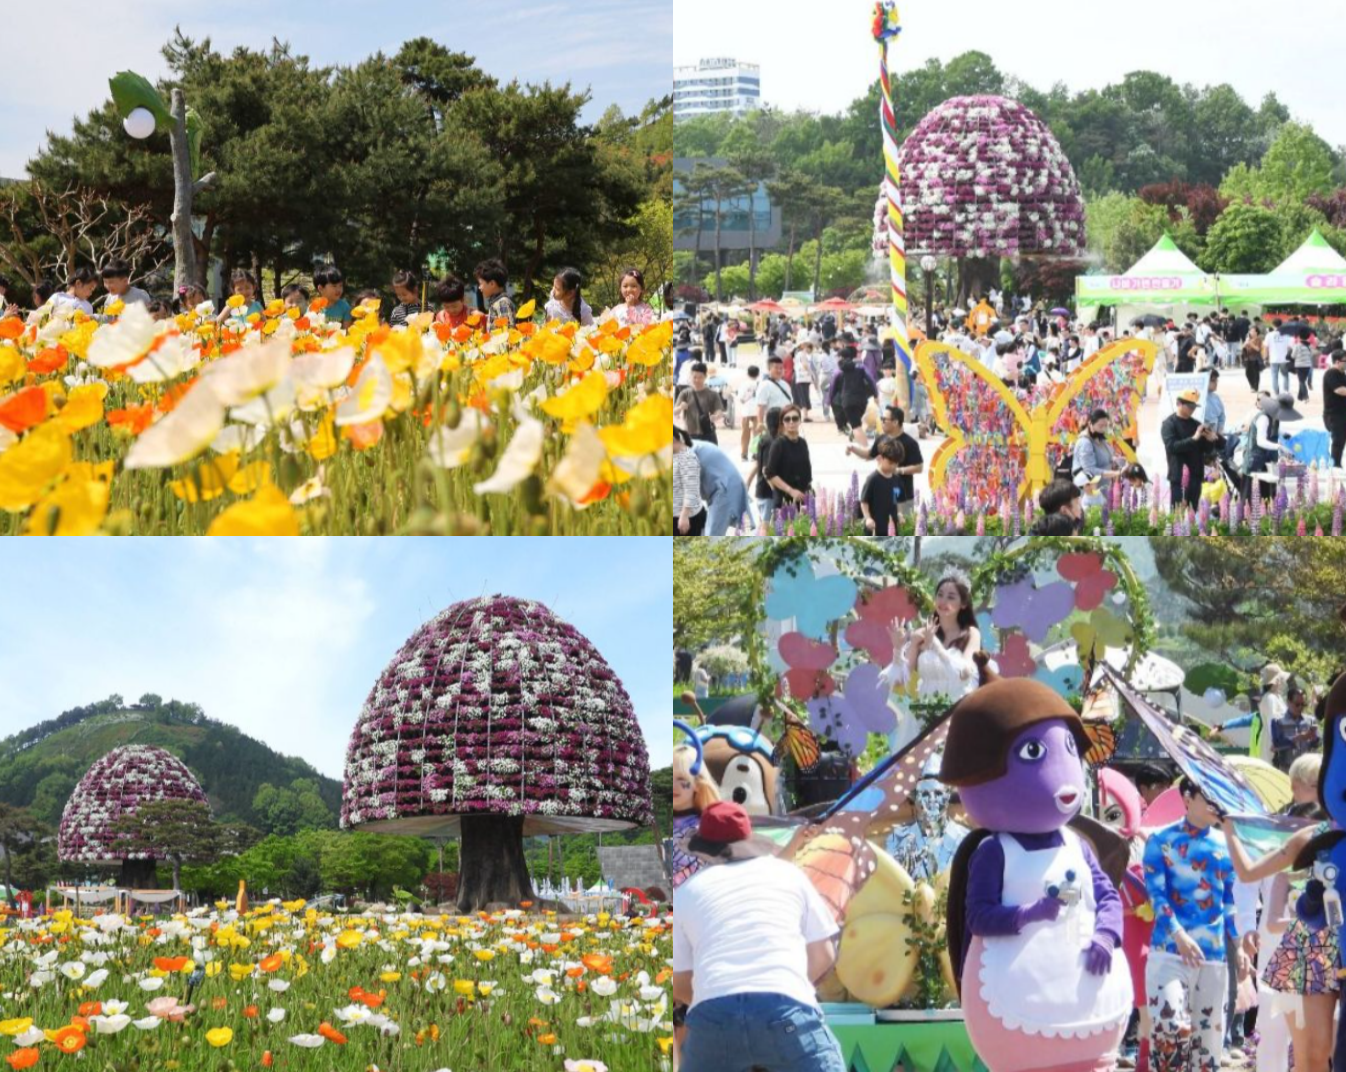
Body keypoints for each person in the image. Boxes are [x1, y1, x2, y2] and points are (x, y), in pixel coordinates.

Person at [673, 801, 846, 1072]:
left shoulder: (687, 891)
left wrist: (719, 995)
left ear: (703, 850)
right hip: (784, 1004)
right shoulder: (789, 874)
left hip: (713, 1014)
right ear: (750, 840)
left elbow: (681, 981)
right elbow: (824, 953)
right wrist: (784, 983)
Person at [1144, 778, 1249, 1072]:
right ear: (1188, 797)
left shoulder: (1226, 844)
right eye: (1209, 795)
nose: (1216, 802)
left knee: (1208, 1048)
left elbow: (1230, 900)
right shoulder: (1160, 840)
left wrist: (1238, 946)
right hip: (1168, 952)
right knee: (1170, 1029)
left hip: (1213, 957)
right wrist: (1177, 934)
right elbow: (1156, 894)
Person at [884, 573, 983, 706]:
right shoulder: (920, 635)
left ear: (963, 604)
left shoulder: (971, 633)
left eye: (951, 597)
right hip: (925, 709)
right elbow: (899, 681)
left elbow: (964, 674)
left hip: (958, 709)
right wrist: (898, 648)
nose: (943, 601)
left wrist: (935, 645)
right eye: (940, 595)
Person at [846, 406, 924, 515]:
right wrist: (853, 449)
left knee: (902, 527)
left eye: (884, 419)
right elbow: (869, 454)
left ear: (895, 422)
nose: (881, 422)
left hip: (903, 494)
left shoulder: (910, 443)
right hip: (883, 493)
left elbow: (919, 467)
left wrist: (899, 470)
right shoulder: (882, 439)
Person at [1162, 389, 1222, 511]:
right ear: (1179, 403)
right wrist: (1194, 438)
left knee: (1192, 513)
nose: (1192, 409)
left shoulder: (1196, 424)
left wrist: (1210, 440)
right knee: (1177, 515)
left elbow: (1206, 450)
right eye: (1189, 406)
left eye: (1194, 406)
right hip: (1178, 476)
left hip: (1195, 476)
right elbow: (1172, 447)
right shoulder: (1169, 424)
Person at [1242, 393, 1300, 500]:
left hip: (1266, 460)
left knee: (1268, 494)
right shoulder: (1263, 418)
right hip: (1254, 460)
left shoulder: (1274, 418)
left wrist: (1285, 435)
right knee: (1252, 497)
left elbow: (1274, 430)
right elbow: (1261, 441)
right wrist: (1279, 447)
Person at [690, 439, 749, 536]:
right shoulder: (691, 446)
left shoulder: (687, 451)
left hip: (724, 489)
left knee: (712, 536)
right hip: (724, 486)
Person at [1072, 408, 1124, 509]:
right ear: (1090, 424)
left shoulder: (1099, 437)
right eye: (1100, 426)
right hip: (1090, 493)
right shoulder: (1085, 442)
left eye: (1106, 426)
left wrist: (1115, 460)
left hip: (1103, 489)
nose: (1103, 429)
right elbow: (1089, 470)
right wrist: (1115, 473)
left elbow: (1107, 456)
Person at [765, 405, 812, 510]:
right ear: (782, 422)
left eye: (795, 418)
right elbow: (770, 474)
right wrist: (790, 490)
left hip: (804, 499)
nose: (791, 422)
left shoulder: (802, 443)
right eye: (787, 419)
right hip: (785, 501)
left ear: (800, 421)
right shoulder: (778, 444)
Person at [826, 350, 878, 444]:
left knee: (856, 426)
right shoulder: (861, 368)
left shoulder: (839, 371)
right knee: (857, 423)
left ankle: (864, 447)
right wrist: (876, 395)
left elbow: (832, 386)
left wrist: (828, 400)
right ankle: (857, 439)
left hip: (847, 401)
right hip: (862, 400)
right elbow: (871, 380)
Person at [860, 437, 906, 536]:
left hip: (892, 529)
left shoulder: (897, 480)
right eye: (890, 463)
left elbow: (897, 499)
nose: (894, 466)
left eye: (896, 463)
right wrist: (868, 518)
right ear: (880, 458)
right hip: (874, 529)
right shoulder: (873, 479)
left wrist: (899, 514)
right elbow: (864, 501)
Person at [746, 408, 782, 527]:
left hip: (762, 491)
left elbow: (757, 463)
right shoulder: (772, 442)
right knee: (767, 530)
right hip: (769, 495)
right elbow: (766, 471)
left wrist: (747, 483)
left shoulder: (765, 438)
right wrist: (777, 493)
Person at [675, 362, 722, 445]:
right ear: (690, 376)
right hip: (690, 435)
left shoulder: (712, 394)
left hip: (708, 434)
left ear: (705, 377)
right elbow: (674, 412)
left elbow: (719, 410)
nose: (697, 380)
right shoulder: (685, 393)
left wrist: (716, 416)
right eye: (694, 377)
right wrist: (680, 408)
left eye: (700, 377)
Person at [673, 427, 707, 536]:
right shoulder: (674, 455)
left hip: (687, 519)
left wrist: (684, 516)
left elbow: (691, 489)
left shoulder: (687, 457)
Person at [754, 354, 794, 431]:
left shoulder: (785, 384)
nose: (779, 370)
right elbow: (760, 406)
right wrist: (760, 423)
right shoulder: (764, 385)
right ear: (769, 369)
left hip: (787, 420)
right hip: (773, 422)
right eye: (776, 368)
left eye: (781, 368)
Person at [1322, 349, 1346, 468]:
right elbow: (1339, 390)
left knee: (1342, 440)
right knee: (1338, 440)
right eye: (1345, 361)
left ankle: (1337, 464)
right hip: (1333, 414)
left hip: (1342, 413)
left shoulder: (1342, 374)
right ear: (1337, 361)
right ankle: (1334, 465)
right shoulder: (1331, 373)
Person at [474, 258, 515, 323]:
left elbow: (506, 329)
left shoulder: (503, 303)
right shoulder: (497, 302)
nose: (479, 287)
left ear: (492, 284)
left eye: (481, 284)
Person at [737, 365, 761, 461]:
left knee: (745, 433)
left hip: (746, 410)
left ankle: (744, 453)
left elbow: (741, 398)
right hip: (757, 410)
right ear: (758, 374)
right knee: (757, 433)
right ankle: (755, 453)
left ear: (747, 373)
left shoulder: (744, 384)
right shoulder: (760, 383)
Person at [1265, 321, 1292, 397]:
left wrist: (1266, 358)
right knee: (1285, 375)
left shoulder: (1269, 335)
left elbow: (1266, 347)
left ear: (1273, 325)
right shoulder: (1286, 335)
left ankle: (1276, 392)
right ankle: (1286, 391)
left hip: (1273, 358)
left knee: (1274, 376)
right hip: (1284, 359)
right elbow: (1290, 347)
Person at [1291, 331, 1315, 402]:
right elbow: (1311, 355)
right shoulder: (1310, 346)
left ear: (1299, 337)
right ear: (1307, 337)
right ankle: (1300, 396)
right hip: (1307, 365)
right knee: (1302, 380)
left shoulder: (1297, 345)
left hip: (1299, 366)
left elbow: (1293, 356)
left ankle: (1306, 396)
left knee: (1301, 381)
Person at [1242, 324, 1264, 394]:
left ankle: (1255, 387)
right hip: (1248, 358)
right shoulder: (1248, 339)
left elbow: (1258, 349)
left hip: (1256, 359)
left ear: (1256, 332)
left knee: (1256, 373)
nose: (1250, 332)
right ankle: (1252, 386)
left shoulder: (1258, 339)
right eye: (1250, 331)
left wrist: (1250, 343)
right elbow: (1243, 348)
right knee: (1247, 373)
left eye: (1252, 331)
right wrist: (1245, 343)